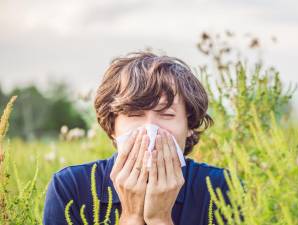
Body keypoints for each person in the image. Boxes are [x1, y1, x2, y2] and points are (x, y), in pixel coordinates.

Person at [43, 52, 231, 225]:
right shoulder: (71, 188)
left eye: (167, 115)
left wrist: (160, 219)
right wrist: (131, 216)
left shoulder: (220, 189)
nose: (151, 130)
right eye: (134, 115)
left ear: (189, 126)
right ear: (112, 127)